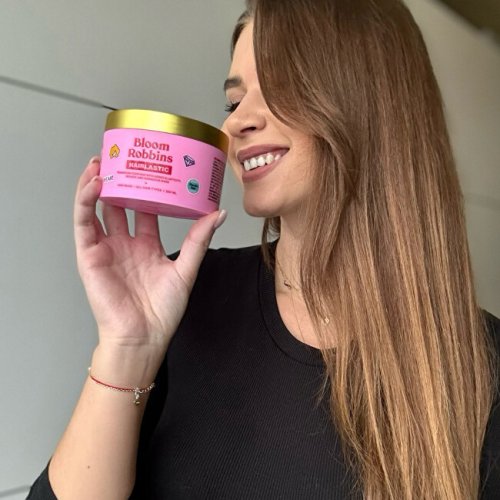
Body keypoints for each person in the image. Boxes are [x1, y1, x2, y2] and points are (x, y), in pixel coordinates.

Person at [29, 0, 499, 498]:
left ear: (373, 100)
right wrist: (128, 348)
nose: (236, 124)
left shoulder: (481, 363)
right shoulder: (186, 299)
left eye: (280, 87)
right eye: (234, 103)